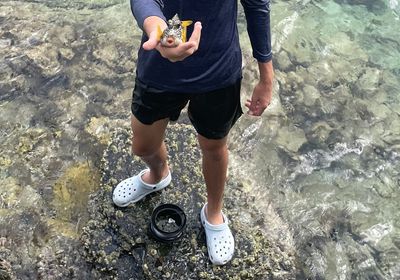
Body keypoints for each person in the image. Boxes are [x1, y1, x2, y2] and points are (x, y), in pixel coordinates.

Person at [113, 0, 274, 266]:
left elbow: (257, 6)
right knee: (143, 146)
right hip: (159, 66)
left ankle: (213, 213)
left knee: (214, 146)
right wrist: (155, 24)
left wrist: (266, 75)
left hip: (218, 72)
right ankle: (157, 174)